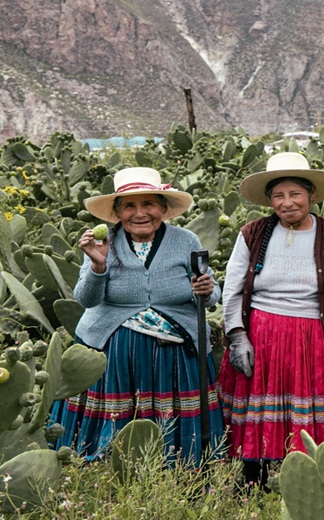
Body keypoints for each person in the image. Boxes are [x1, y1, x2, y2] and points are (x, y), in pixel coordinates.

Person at [52, 167, 222, 467]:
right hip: (111, 347)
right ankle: (107, 459)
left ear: (164, 208)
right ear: (116, 212)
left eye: (148, 204)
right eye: (129, 205)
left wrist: (207, 289)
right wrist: (97, 266)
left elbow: (210, 293)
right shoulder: (102, 243)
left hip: (177, 349)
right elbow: (86, 300)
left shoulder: (186, 241)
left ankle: (178, 459)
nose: (139, 213)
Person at [218, 152, 324, 488]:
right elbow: (233, 287)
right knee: (259, 409)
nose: (287, 203)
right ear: (269, 200)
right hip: (262, 335)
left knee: (308, 412)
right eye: (278, 196)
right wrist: (238, 335)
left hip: (317, 336)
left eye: (295, 194)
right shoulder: (252, 233)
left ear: (311, 195)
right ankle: (252, 478)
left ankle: (310, 482)